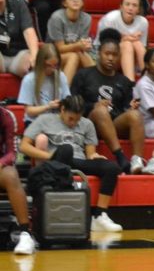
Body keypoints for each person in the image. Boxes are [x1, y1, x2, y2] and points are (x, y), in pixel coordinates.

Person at [20, 94, 123, 232]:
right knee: (66, 149)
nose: (73, 123)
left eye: (77, 119)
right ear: (62, 110)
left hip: (79, 161)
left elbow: (90, 153)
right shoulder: (45, 120)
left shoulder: (87, 124)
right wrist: (49, 155)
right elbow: (24, 146)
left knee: (112, 167)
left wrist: (95, 156)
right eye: (71, 118)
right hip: (56, 159)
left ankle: (99, 216)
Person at [70, 29, 146, 174]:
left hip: (114, 123)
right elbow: (73, 103)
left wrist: (130, 107)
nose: (110, 58)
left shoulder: (124, 81)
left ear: (119, 57)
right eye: (107, 54)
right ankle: (121, 157)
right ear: (99, 54)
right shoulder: (84, 75)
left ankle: (137, 161)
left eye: (115, 55)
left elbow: (125, 108)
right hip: (89, 123)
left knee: (135, 115)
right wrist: (93, 105)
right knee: (100, 111)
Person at [1, 105, 35, 255]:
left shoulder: (7, 116)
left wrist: (1, 163)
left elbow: (12, 153)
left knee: (11, 176)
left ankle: (25, 234)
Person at [96, 0, 148, 82]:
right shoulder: (110, 19)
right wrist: (124, 38)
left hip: (132, 58)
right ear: (121, 7)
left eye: (134, 5)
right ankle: (130, 82)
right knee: (127, 44)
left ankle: (148, 79)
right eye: (127, 4)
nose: (130, 8)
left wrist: (129, 39)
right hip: (106, 55)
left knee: (137, 44)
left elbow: (143, 47)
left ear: (138, 10)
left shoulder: (143, 22)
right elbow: (105, 47)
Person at [47, 0, 96, 84]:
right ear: (64, 3)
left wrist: (85, 46)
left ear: (82, 2)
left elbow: (81, 46)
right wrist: (79, 45)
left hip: (76, 51)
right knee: (74, 56)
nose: (75, 0)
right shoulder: (57, 17)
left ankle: (96, 88)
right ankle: (63, 95)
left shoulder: (87, 18)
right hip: (53, 54)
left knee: (83, 56)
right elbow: (59, 48)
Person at [17, 43, 70, 124]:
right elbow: (29, 111)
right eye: (48, 65)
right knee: (42, 137)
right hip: (34, 121)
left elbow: (67, 100)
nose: (52, 69)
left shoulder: (61, 76)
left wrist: (63, 104)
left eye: (55, 65)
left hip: (56, 121)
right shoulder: (29, 79)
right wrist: (48, 106)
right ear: (40, 63)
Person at [0, 0, 39, 77]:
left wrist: (34, 55)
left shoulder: (18, 4)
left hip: (18, 54)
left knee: (35, 63)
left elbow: (29, 31)